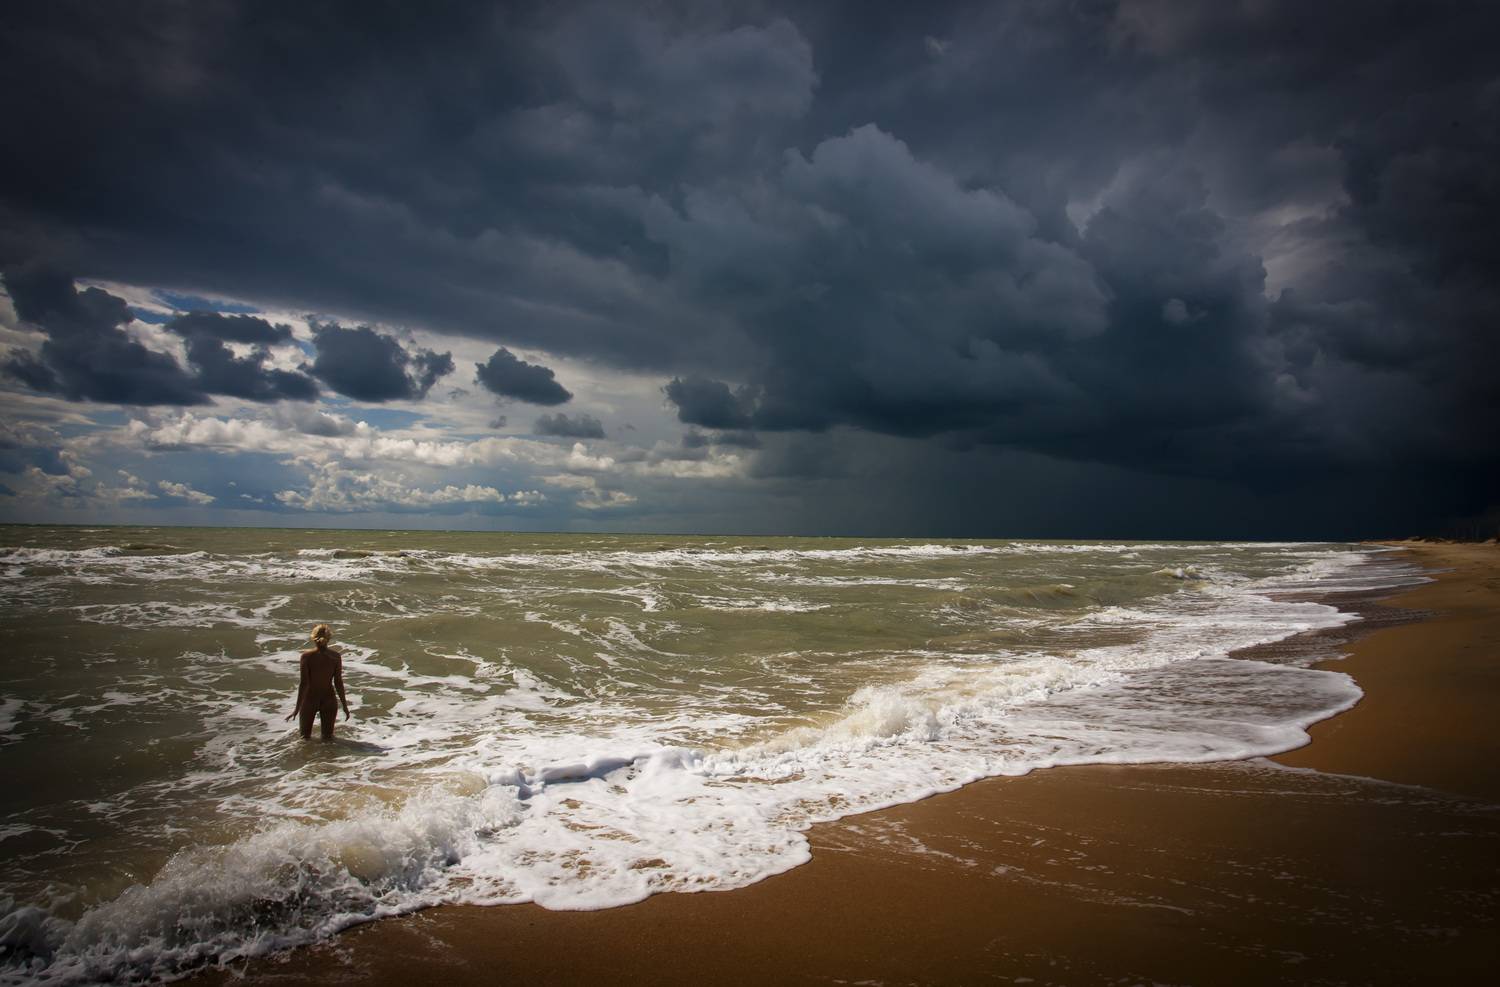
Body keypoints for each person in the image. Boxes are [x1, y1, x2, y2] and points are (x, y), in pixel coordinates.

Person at [286, 623, 350, 740]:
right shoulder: (335, 657)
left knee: (304, 739)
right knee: (328, 739)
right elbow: (338, 682)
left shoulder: (307, 656)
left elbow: (304, 683)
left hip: (310, 700)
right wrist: (345, 706)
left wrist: (297, 708)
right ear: (329, 638)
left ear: (313, 637)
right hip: (329, 700)